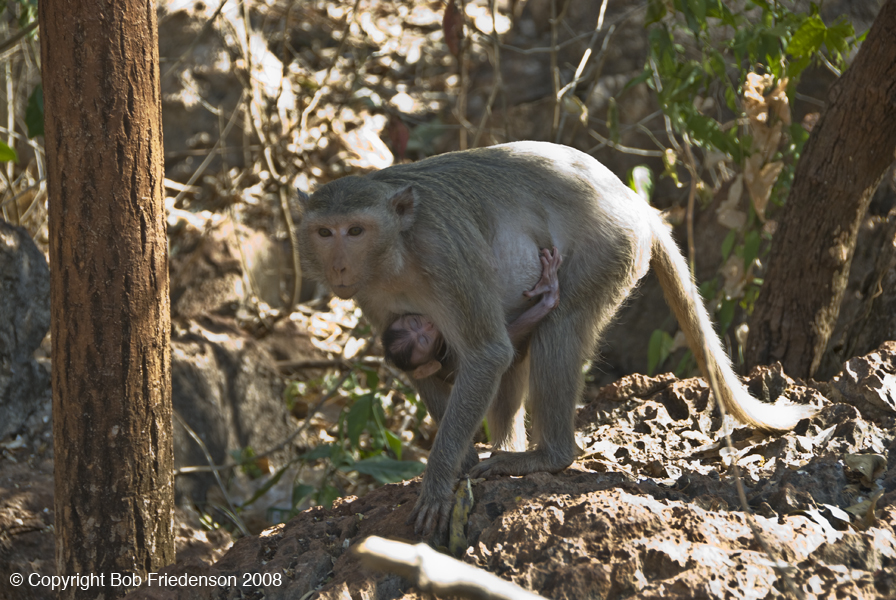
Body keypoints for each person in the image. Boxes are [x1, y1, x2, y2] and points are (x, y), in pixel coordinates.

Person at [382, 247, 562, 379]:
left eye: (414, 323)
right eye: (424, 339)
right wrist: (546, 304)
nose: (428, 326)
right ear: (430, 367)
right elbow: (501, 342)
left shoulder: (420, 296)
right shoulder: (461, 349)